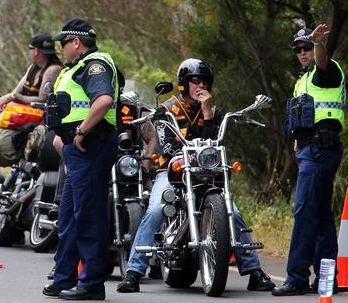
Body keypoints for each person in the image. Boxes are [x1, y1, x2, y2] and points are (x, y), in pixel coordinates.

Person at [116, 58, 274, 294]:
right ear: (183, 84)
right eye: (195, 81)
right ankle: (133, 273)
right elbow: (167, 146)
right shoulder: (167, 110)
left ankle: (254, 271)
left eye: (205, 81)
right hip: (170, 172)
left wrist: (209, 114)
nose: (201, 85)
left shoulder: (213, 110)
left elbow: (213, 142)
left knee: (234, 211)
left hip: (205, 174)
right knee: (157, 208)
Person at [41, 18, 120, 301]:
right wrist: (64, 138)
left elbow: (103, 101)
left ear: (76, 42)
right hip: (77, 150)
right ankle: (63, 279)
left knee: (88, 216)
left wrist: (81, 131)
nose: (61, 48)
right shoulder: (73, 68)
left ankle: (91, 284)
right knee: (68, 218)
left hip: (92, 144)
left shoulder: (94, 65)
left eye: (64, 43)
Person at [272, 24, 344, 296]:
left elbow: (322, 59)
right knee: (321, 216)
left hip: (320, 150)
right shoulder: (302, 80)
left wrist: (318, 43)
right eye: (299, 49)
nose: (303, 53)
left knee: (303, 213)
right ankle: (327, 279)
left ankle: (297, 277)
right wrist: (296, 146)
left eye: (306, 48)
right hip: (307, 151)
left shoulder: (327, 71)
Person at [0, 33, 64, 109]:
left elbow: (43, 100)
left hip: (42, 117)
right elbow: (16, 91)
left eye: (30, 48)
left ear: (36, 51)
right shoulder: (34, 66)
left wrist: (13, 97)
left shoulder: (53, 70)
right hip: (26, 112)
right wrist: (9, 99)